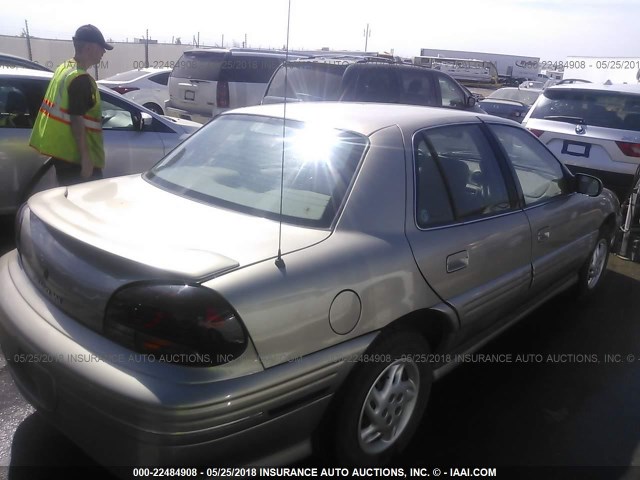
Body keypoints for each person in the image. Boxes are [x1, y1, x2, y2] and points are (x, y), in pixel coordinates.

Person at [29, 24, 113, 186]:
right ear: (89, 48)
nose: (103, 52)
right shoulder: (79, 78)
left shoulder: (65, 68)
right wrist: (86, 158)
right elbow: (76, 119)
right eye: (101, 48)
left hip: (65, 155)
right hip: (76, 159)